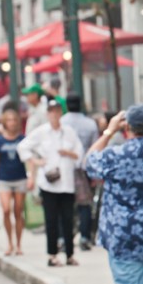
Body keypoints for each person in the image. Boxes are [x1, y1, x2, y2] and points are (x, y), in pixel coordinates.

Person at [85, 107, 143, 284]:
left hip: (124, 234)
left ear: (127, 128)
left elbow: (89, 162)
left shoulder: (117, 154)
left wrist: (108, 131)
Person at [18, 99, 83, 268]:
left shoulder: (68, 132)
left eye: (57, 111)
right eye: (51, 112)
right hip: (49, 182)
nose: (54, 115)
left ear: (61, 113)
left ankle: (69, 254)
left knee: (68, 219)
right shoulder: (41, 132)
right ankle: (52, 254)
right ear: (48, 114)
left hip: (67, 181)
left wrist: (68, 153)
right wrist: (36, 161)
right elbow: (23, 147)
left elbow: (80, 153)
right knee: (51, 219)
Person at [62, 93, 99, 251]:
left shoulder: (61, 123)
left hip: (65, 168)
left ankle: (65, 238)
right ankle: (84, 236)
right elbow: (95, 148)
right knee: (84, 204)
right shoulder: (90, 124)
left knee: (65, 205)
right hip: (83, 169)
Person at [0, 107, 27, 256]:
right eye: (9, 120)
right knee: (6, 210)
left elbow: (28, 160)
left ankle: (18, 244)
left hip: (19, 177)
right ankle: (9, 243)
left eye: (14, 120)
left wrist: (31, 176)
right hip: (4, 178)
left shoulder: (22, 139)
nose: (11, 123)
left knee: (18, 211)